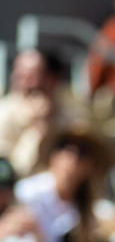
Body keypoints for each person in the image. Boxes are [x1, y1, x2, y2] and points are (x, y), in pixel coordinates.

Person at [0, 49, 88, 177]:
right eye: (20, 76)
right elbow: (14, 171)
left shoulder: (73, 115)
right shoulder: (5, 113)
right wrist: (36, 129)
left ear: (52, 79)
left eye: (31, 77)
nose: (24, 84)